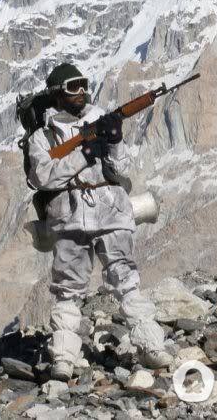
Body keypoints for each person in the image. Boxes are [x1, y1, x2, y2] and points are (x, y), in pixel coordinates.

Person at [26, 62, 174, 381]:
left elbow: (121, 170)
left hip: (110, 210)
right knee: (68, 290)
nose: (80, 92)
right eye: (72, 87)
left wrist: (114, 141)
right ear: (57, 95)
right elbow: (42, 177)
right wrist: (83, 154)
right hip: (69, 216)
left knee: (126, 280)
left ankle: (151, 345)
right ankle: (63, 358)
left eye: (83, 84)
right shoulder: (42, 137)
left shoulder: (101, 118)